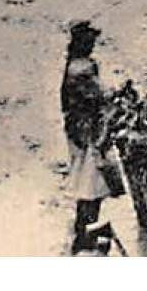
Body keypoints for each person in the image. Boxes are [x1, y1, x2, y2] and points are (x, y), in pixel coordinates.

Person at [61, 20, 121, 254]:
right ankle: (84, 235)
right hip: (88, 133)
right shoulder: (81, 69)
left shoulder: (76, 65)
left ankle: (85, 231)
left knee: (91, 184)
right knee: (90, 184)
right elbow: (98, 96)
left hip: (81, 131)